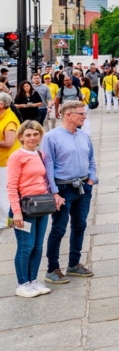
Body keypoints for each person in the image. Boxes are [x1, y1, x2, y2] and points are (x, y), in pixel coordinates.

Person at [42, 100, 97, 284]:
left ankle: (73, 264)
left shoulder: (83, 135)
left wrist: (91, 179)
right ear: (68, 115)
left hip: (83, 187)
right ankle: (52, 268)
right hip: (63, 189)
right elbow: (48, 167)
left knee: (80, 225)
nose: (84, 116)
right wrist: (54, 192)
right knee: (59, 228)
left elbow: (91, 160)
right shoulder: (51, 137)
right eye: (81, 113)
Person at [7, 120, 63, 297]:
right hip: (23, 209)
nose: (32, 138)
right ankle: (22, 284)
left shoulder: (40, 154)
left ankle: (33, 280)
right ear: (21, 137)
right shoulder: (17, 156)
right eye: (28, 135)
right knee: (26, 246)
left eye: (35, 134)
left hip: (41, 207)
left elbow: (44, 180)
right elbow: (11, 186)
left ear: (40, 135)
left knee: (38, 246)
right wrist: (16, 212)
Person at [0, 92, 21, 229]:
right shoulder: (2, 116)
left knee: (3, 192)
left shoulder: (9, 120)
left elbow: (8, 142)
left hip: (6, 163)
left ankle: (6, 221)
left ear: (1, 105)